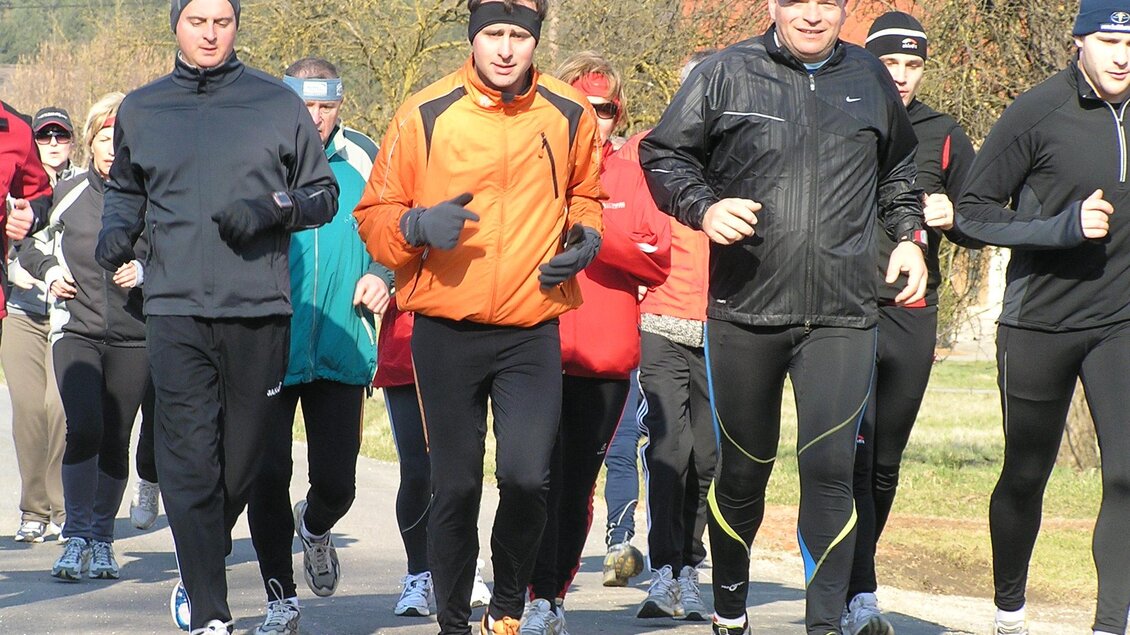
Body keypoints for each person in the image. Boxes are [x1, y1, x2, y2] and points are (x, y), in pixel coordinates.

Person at [640, 0, 929, 633]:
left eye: (828, 3)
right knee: (743, 472)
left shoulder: (868, 76)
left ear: (844, 9)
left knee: (830, 471)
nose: (813, 15)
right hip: (746, 310)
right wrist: (704, 208)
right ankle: (729, 610)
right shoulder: (725, 71)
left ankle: (824, 624)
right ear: (775, 5)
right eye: (799, 1)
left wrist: (909, 235)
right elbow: (663, 156)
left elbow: (900, 170)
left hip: (842, 314)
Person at [353, 0, 605, 632]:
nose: (504, 49)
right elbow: (373, 215)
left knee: (526, 477)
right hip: (445, 329)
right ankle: (452, 622)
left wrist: (585, 239)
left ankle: (509, 604)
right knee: (457, 486)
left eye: (518, 35)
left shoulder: (568, 111)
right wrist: (414, 224)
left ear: (535, 40)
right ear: (473, 36)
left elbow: (587, 195)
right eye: (493, 33)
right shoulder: (424, 113)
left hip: (531, 327)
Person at [95, 0, 339, 632]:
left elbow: (323, 193)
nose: (209, 33)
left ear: (236, 27)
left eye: (222, 21)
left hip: (258, 307)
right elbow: (125, 188)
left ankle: (202, 546)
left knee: (244, 459)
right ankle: (210, 609)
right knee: (188, 459)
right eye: (197, 20)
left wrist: (272, 208)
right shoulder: (144, 108)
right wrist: (116, 232)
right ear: (176, 24)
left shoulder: (276, 103)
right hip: (173, 307)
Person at [951, 2, 1130, 634]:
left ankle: (1111, 624)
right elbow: (971, 213)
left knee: (1128, 470)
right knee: (1026, 472)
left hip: (1120, 323)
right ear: (1077, 40)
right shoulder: (1037, 110)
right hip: (1038, 325)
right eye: (1108, 39)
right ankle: (1010, 609)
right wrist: (1061, 227)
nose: (1121, 55)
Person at [523, 51, 671, 634]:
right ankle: (521, 591)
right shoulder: (530, 164)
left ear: (619, 115)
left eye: (605, 109)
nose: (593, 117)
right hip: (529, 347)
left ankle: (548, 598)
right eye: (581, 105)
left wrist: (592, 235)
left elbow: (657, 259)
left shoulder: (636, 176)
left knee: (574, 484)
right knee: (527, 477)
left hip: (604, 358)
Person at [243, 56, 392, 635]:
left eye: (326, 105)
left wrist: (383, 272)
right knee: (266, 474)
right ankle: (280, 599)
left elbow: (393, 227)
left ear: (340, 105)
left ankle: (318, 526)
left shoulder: (364, 155)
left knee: (338, 480)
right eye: (305, 105)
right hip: (268, 343)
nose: (316, 117)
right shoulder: (255, 154)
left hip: (342, 340)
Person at [841, 12, 979, 635]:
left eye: (912, 64)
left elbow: (981, 221)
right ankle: (855, 592)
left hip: (913, 315)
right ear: (869, 61)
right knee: (853, 454)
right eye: (889, 62)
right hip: (843, 311)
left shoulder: (946, 133)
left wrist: (956, 216)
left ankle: (854, 573)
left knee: (885, 462)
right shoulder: (840, 118)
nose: (900, 76)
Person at [18, 92, 150, 582]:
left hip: (134, 336)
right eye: (105, 139)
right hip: (76, 329)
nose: (114, 149)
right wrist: (51, 271)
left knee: (117, 437)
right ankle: (75, 536)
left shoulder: (152, 198)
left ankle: (102, 540)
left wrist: (144, 272)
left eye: (123, 141)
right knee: (86, 426)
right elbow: (27, 243)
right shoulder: (68, 191)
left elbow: (178, 255)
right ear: (91, 143)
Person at [374, 303, 495, 618]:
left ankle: (465, 569)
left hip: (463, 340)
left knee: (460, 468)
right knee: (416, 471)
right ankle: (418, 574)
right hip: (404, 347)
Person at [31, 108, 77, 185]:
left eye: (62, 136)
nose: (53, 143)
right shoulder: (19, 187)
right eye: (44, 136)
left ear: (72, 140)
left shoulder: (89, 183)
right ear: (33, 141)